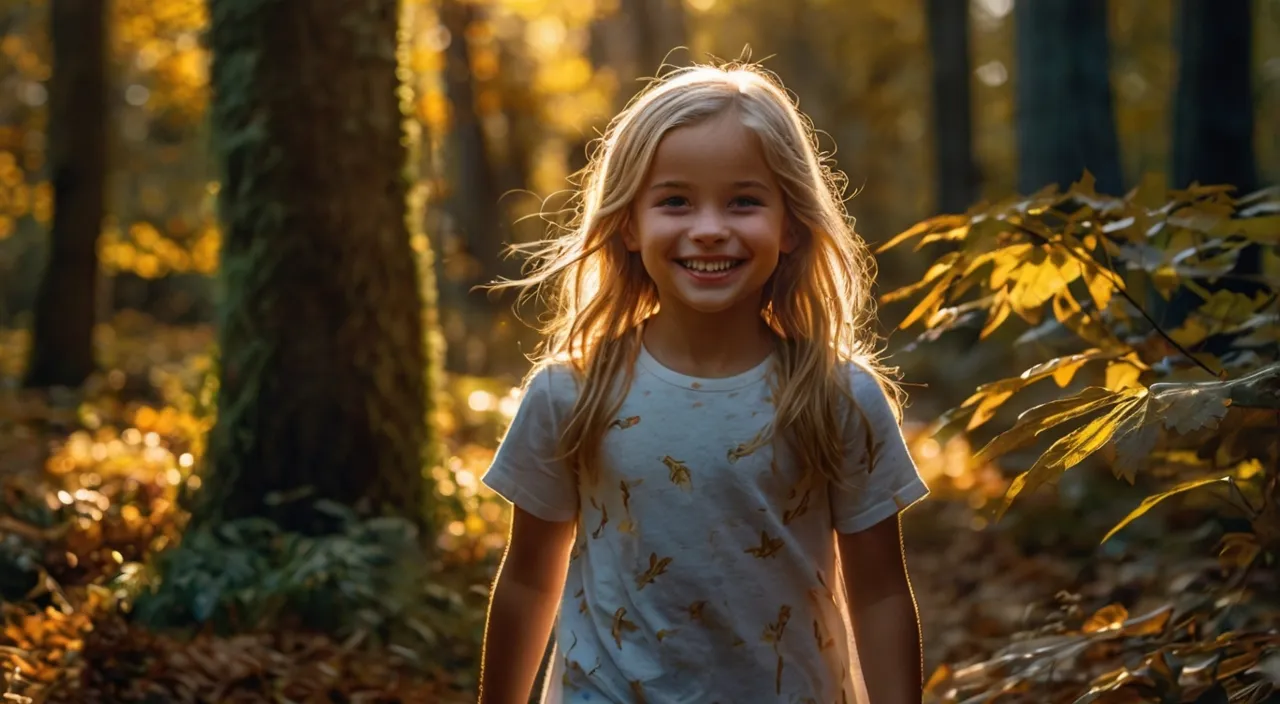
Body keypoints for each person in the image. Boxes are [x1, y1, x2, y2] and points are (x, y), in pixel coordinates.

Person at [477, 61, 930, 704]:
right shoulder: (570, 392)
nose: (710, 227)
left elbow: (881, 591)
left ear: (791, 223)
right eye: (675, 201)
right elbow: (528, 579)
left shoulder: (837, 395)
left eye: (744, 200)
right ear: (629, 224)